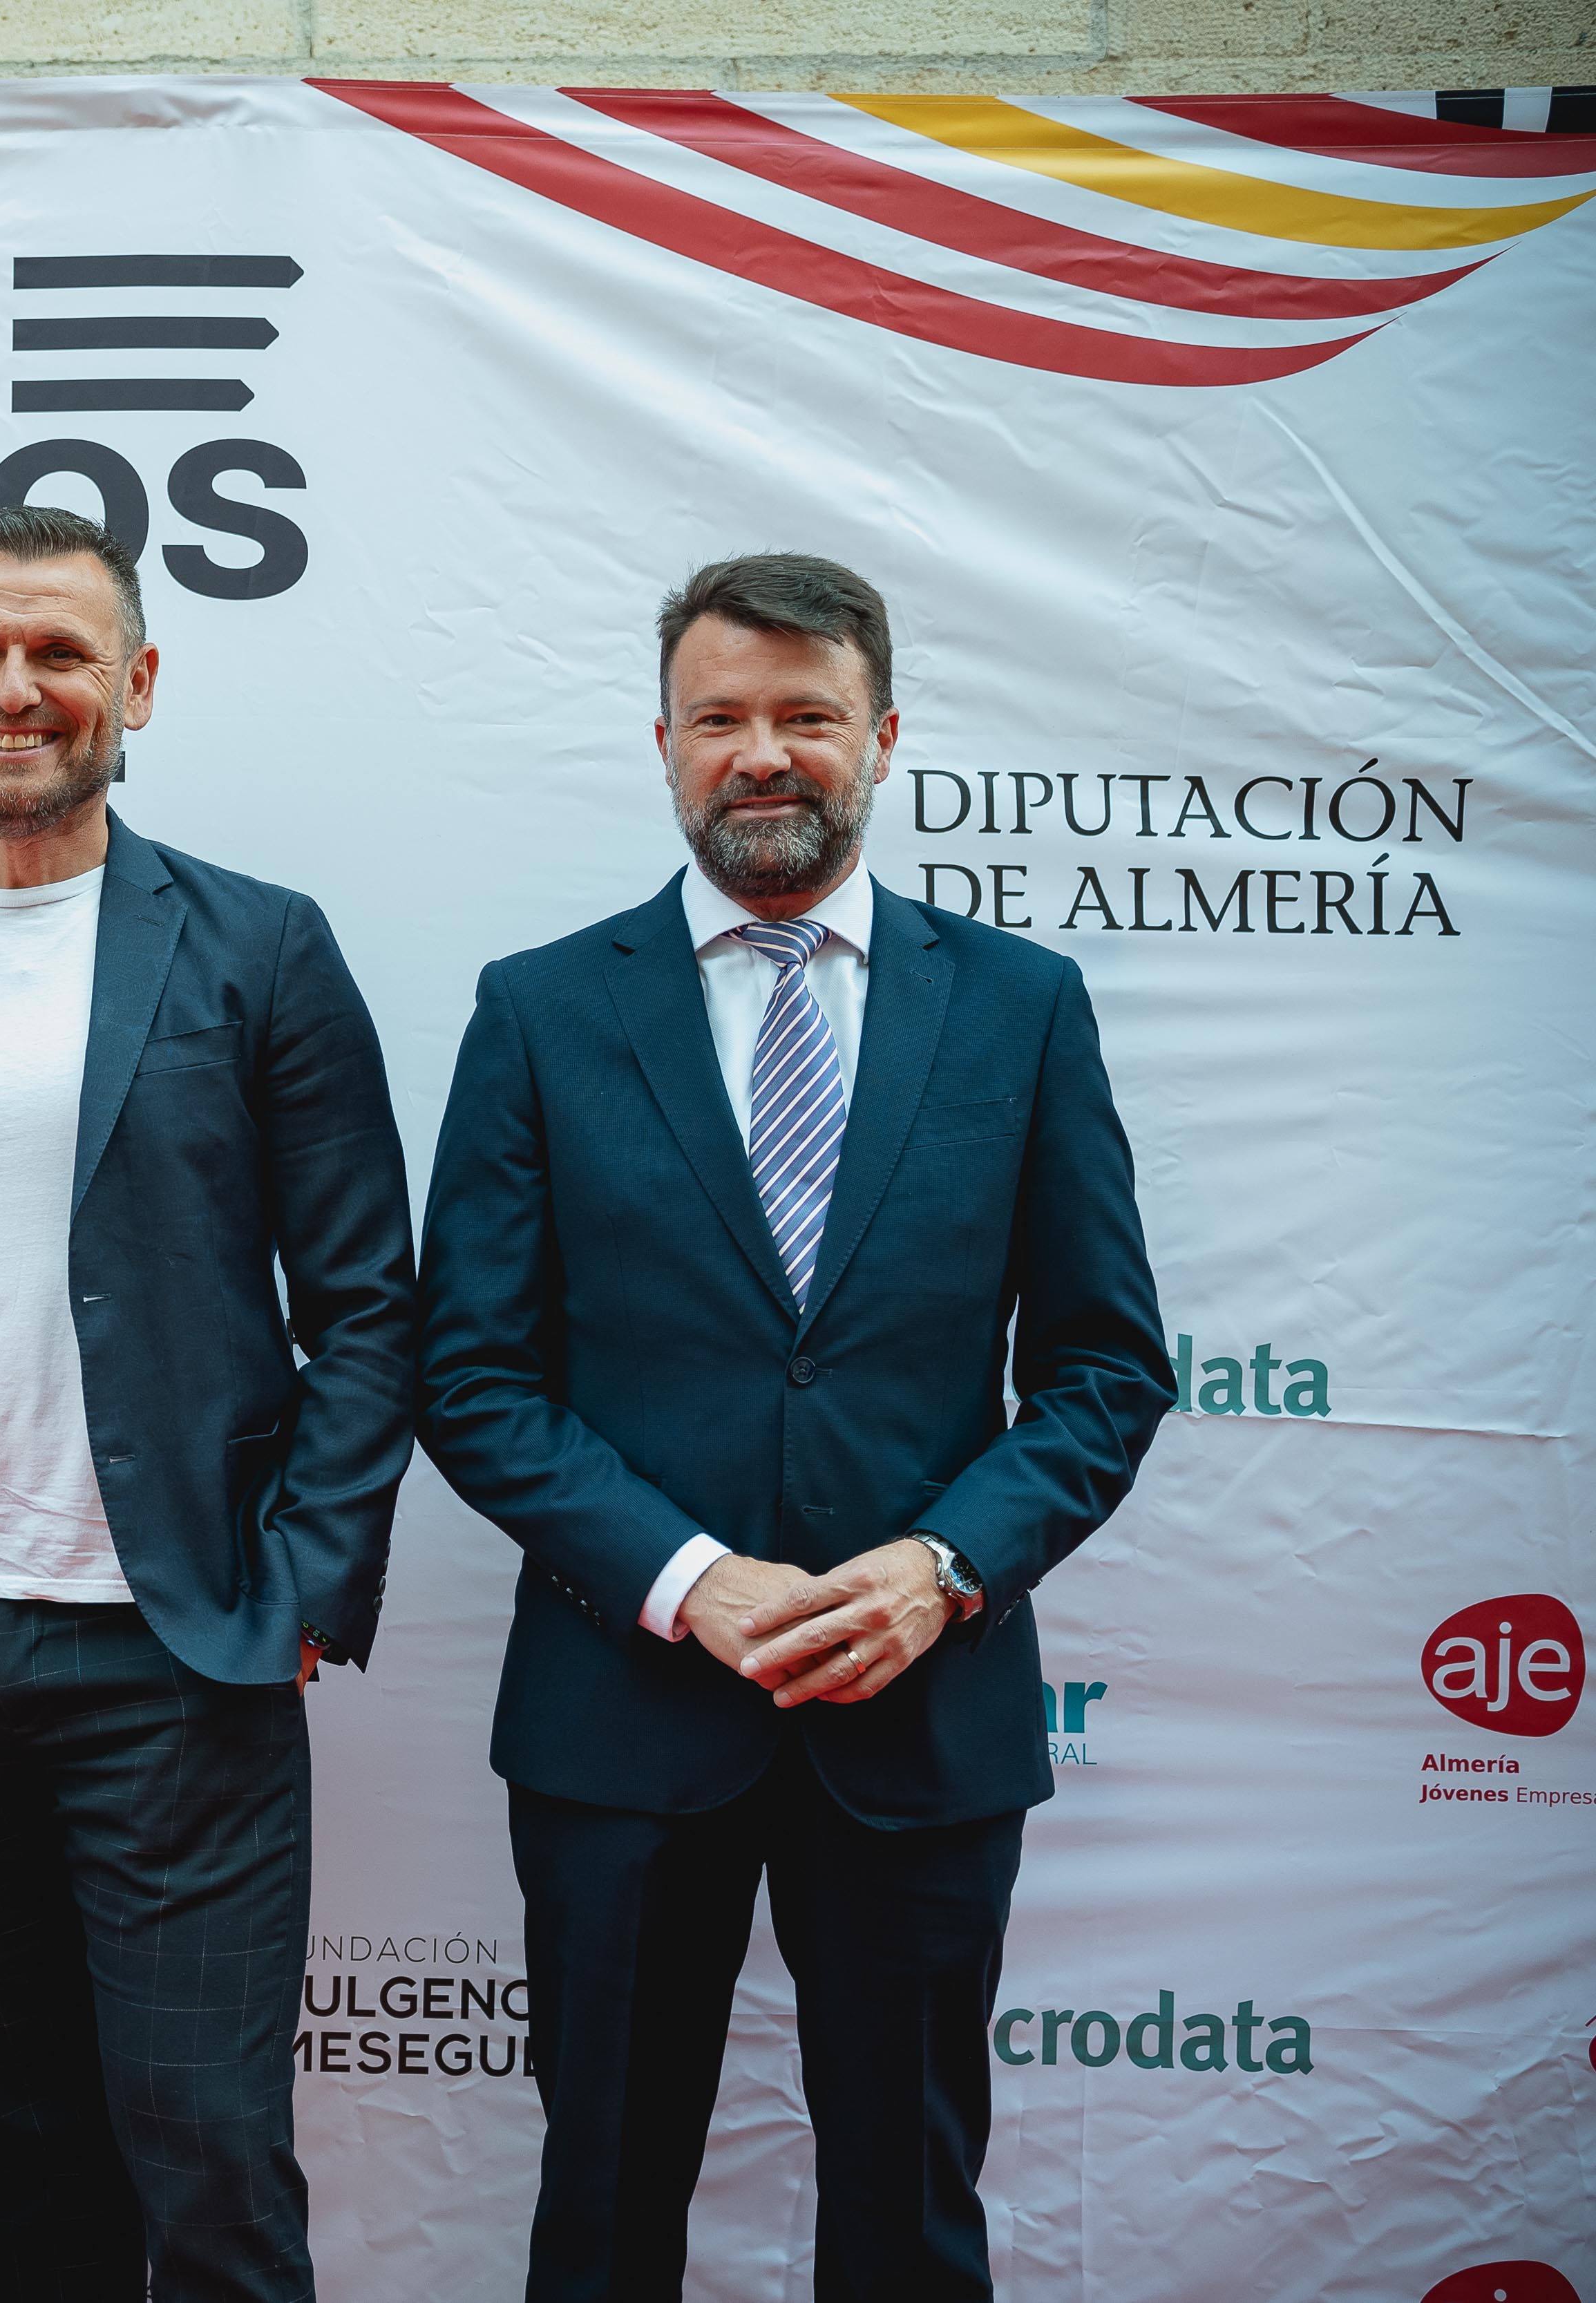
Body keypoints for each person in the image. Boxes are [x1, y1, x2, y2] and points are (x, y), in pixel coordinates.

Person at [416, 553, 1173, 2302]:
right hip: (623, 1717)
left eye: (805, 715)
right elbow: (471, 1374)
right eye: (720, 717)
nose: (761, 752)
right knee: (602, 2211)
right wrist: (687, 1577)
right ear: (664, 745)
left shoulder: (1019, 1005)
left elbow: (1103, 1367)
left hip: (922, 1712)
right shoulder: (541, 1007)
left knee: (909, 2213)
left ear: (882, 736)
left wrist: (940, 1568)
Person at [0, 504, 418, 2302]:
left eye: (59, 651)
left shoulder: (260, 948)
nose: (16, 686)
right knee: (35, 2146)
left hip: (173, 1657)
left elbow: (366, 1300)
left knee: (208, 2159)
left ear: (138, 681)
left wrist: (299, 1585)